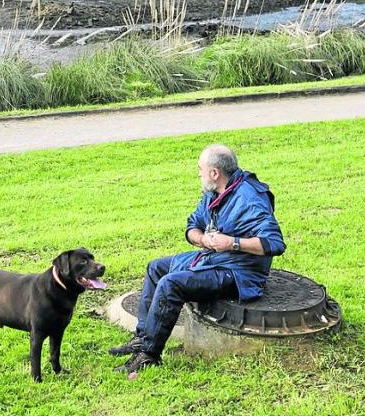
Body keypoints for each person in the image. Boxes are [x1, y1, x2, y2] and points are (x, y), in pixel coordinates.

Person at [112, 144, 285, 377]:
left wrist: (232, 242)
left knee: (170, 284)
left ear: (215, 173)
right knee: (156, 268)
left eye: (200, 169)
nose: (198, 173)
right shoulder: (214, 192)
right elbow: (192, 225)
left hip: (237, 273)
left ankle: (148, 355)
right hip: (212, 257)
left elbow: (274, 243)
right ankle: (142, 338)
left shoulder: (249, 198)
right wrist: (203, 239)